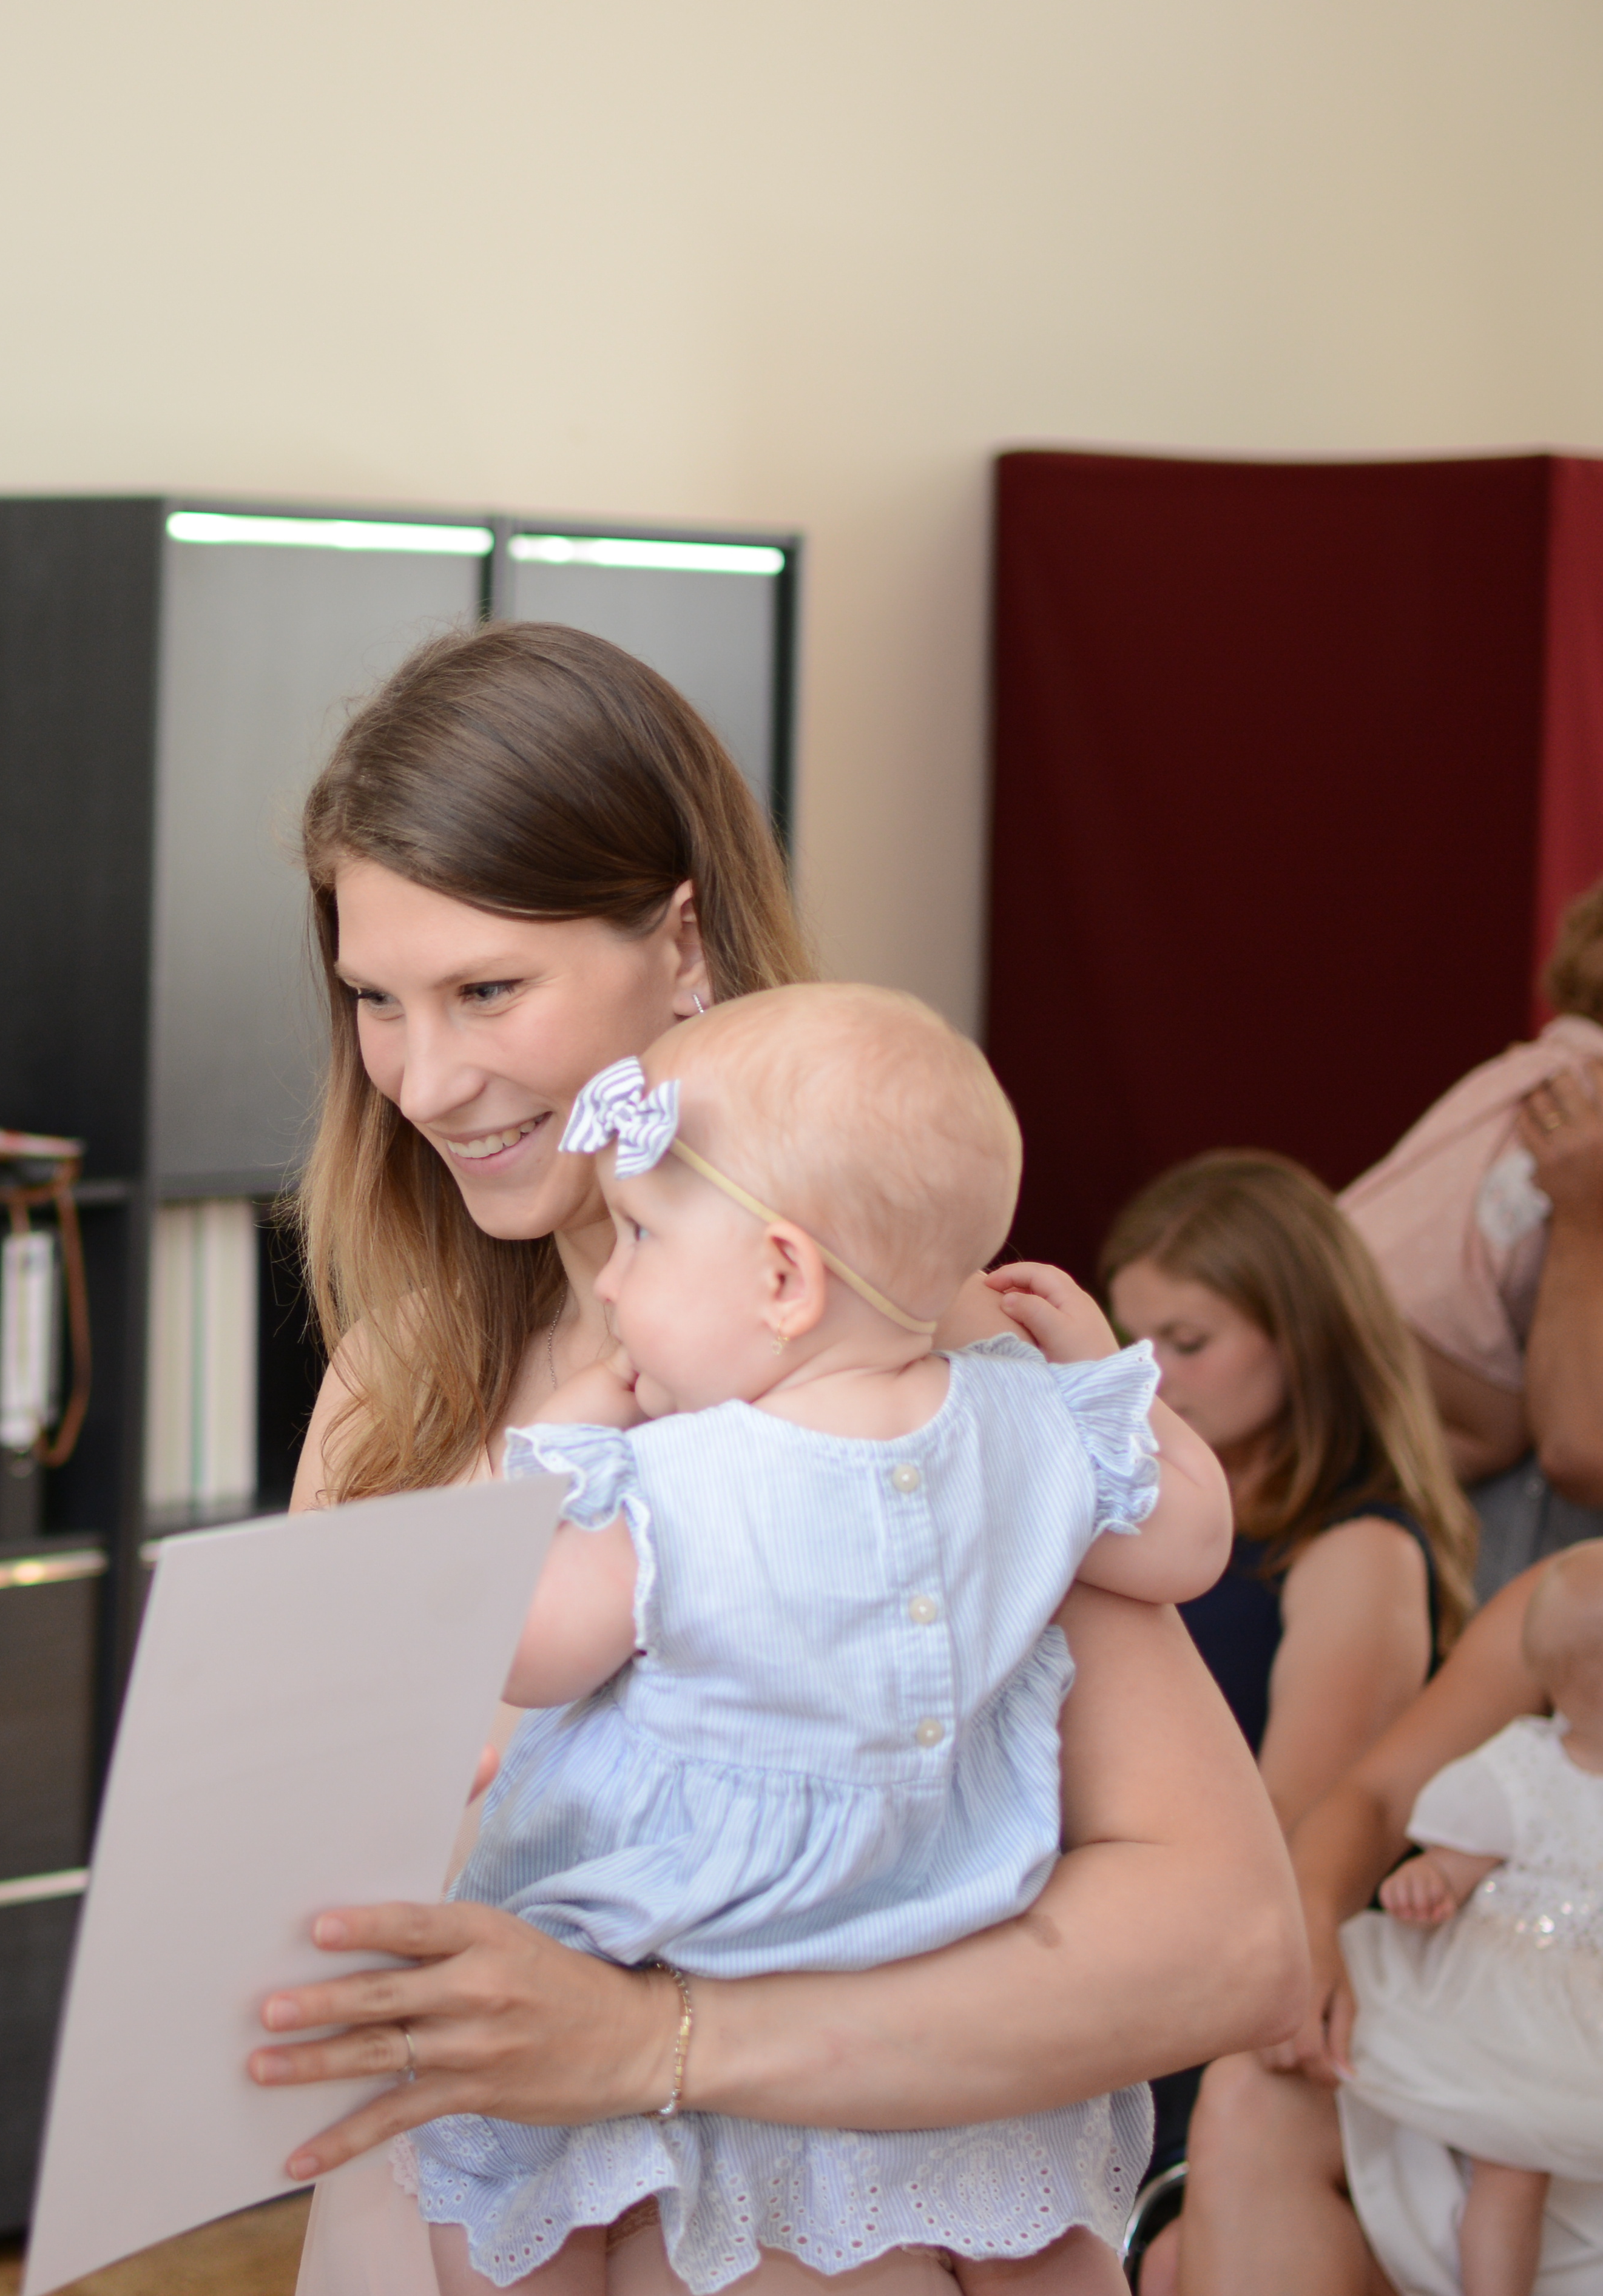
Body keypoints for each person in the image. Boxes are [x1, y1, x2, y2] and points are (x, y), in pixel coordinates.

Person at [237, 621, 1306, 2296]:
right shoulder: (397, 1383)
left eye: (487, 990)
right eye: (375, 1000)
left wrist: (656, 2040)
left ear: (680, 944)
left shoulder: (914, 1384)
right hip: (448, 2213)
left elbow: (1225, 1943)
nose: (425, 1080)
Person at [415, 986, 1232, 2295]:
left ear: (782, 1279)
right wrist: (1092, 1382)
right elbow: (1188, 1542)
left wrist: (560, 1450)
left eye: (637, 1235)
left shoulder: (677, 1478)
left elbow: (533, 1650)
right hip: (938, 1956)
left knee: (507, 2196)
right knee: (1028, 2239)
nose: (608, 1278)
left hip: (679, 1942)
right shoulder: (1024, 1431)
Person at [1097, 1151, 1479, 2183]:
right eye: (1130, 1338)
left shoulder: (1356, 1548)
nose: (1149, 1375)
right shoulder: (1147, 1522)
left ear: (1304, 1339)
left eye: (1188, 1342)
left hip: (1201, 2003)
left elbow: (1288, 1836)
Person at [1173, 1548, 1597, 2296]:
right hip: (1515, 2017)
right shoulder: (1580, 1592)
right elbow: (1377, 1797)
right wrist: (1310, 1931)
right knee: (1256, 2091)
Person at [1334, 1546, 1603, 2296]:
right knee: (1512, 2163)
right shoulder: (1524, 1767)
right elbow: (1455, 1858)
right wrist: (1428, 1880)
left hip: (1587, 2012)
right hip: (1513, 2010)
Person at [1341, 879, 1603, 1592]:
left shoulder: (1523, 1073)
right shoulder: (1578, 1105)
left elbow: (1579, 1448)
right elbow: (1579, 1448)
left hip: (1353, 1301)